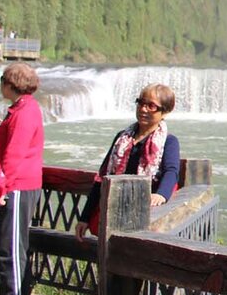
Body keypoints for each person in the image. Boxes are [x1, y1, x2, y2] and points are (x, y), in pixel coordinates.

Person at [74, 83, 180, 240]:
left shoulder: (169, 141)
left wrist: (161, 195)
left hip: (146, 216)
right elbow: (102, 177)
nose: (143, 109)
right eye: (141, 103)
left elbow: (172, 171)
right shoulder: (122, 138)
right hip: (116, 212)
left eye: (151, 106)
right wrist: (84, 218)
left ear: (164, 112)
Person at [0, 63, 45, 295]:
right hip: (19, 185)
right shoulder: (23, 108)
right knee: (13, 244)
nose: (0, 84)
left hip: (19, 186)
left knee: (12, 246)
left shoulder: (24, 112)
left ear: (11, 84)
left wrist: (2, 189)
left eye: (2, 80)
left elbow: (14, 156)